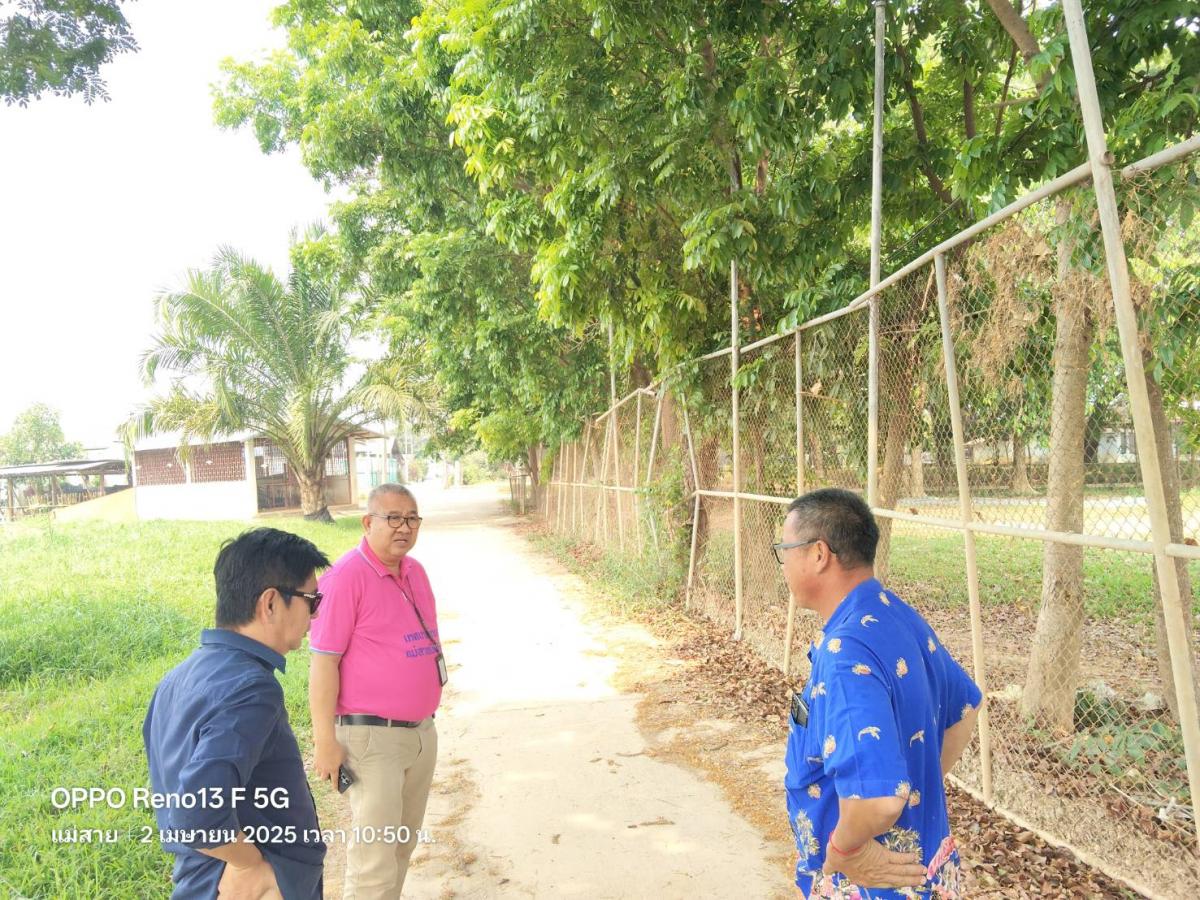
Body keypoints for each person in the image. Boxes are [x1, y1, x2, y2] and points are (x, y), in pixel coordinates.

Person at [777, 488, 981, 899]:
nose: (782, 564)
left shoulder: (845, 655)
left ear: (819, 554)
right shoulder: (893, 613)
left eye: (785, 551)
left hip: (874, 884)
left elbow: (879, 801)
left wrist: (845, 850)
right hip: (923, 873)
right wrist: (916, 788)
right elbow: (966, 707)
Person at [143, 527, 331, 899]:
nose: (314, 615)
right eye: (312, 600)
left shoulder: (178, 677)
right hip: (245, 883)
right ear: (271, 603)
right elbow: (196, 815)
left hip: (200, 878)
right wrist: (249, 864)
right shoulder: (250, 688)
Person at [309, 484, 443, 898]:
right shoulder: (346, 577)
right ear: (368, 523)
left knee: (402, 846)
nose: (404, 527)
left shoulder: (415, 572)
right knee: (374, 862)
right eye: (393, 518)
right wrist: (324, 740)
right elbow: (323, 662)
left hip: (420, 733)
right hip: (372, 739)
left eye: (412, 518)